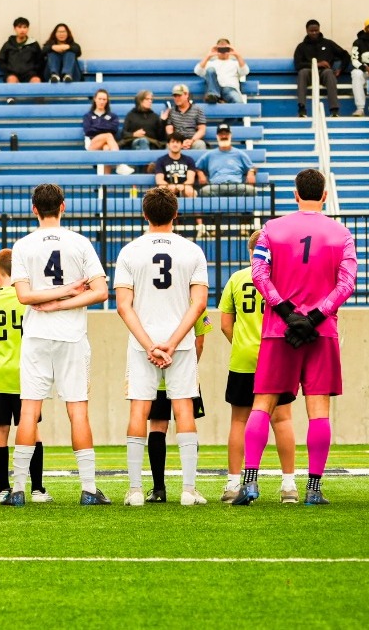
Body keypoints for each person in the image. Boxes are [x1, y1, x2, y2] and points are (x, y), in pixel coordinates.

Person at [233, 168, 357, 506]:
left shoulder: (271, 230)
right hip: (321, 333)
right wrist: (315, 316)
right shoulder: (342, 234)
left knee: (262, 405)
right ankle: (313, 490)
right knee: (318, 411)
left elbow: (259, 274)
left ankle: (250, 483)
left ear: (295, 194)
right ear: (326, 195)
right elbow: (346, 285)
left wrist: (287, 313)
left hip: (278, 331)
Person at [7, 182, 112, 506]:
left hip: (37, 335)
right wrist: (67, 294)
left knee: (29, 411)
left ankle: (19, 489)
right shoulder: (79, 243)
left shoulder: (23, 245)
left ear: (34, 209)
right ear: (63, 207)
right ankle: (89, 488)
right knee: (77, 410)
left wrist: (52, 302)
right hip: (72, 335)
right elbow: (100, 291)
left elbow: (25, 296)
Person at [113, 188, 210, 506]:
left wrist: (150, 344)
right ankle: (188, 489)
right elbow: (198, 304)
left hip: (144, 345)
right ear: (176, 213)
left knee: (139, 410)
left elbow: (123, 306)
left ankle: (136, 490)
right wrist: (171, 342)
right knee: (184, 410)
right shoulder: (192, 251)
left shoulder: (129, 251)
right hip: (178, 344)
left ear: (144, 214)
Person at [218, 231, 299, 504]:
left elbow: (225, 324)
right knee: (282, 419)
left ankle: (232, 484)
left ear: (249, 251)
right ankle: (289, 486)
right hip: (276, 356)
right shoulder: (282, 279)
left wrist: (241, 344)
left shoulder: (237, 279)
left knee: (239, 420)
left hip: (243, 358)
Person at [0, 248, 49, 504]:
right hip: (26, 374)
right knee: (31, 429)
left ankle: (3, 489)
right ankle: (37, 489)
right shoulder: (26, 299)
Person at [144, 312, 213, 503]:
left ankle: (158, 490)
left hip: (154, 373)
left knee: (157, 427)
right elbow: (199, 343)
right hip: (183, 372)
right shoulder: (193, 303)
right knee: (186, 421)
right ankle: (189, 490)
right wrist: (187, 368)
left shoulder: (150, 300)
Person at [292, 19, 349, 118]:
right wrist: (316, 64)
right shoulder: (301, 47)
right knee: (302, 72)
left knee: (329, 72)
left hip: (324, 74)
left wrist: (341, 69)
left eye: (316, 30)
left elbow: (345, 55)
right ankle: (302, 109)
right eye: (311, 31)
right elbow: (298, 65)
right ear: (307, 31)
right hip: (309, 73)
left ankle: (334, 110)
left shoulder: (328, 43)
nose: (314, 33)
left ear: (319, 30)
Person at [197, 125, 258, 196]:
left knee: (251, 191)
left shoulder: (240, 153)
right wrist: (200, 174)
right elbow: (196, 167)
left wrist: (251, 172)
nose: (224, 136)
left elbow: (252, 167)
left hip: (236, 186)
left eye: (226, 134)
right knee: (204, 191)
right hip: (216, 186)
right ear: (217, 136)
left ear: (230, 135)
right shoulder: (209, 155)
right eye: (221, 134)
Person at [194, 39, 248, 105]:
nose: (223, 51)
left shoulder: (235, 63)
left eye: (225, 49)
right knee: (210, 70)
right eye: (220, 49)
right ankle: (213, 96)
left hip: (229, 89)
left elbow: (245, 71)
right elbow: (197, 71)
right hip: (213, 91)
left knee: (239, 104)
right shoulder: (210, 63)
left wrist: (237, 55)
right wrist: (209, 55)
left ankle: (217, 98)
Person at [0, 17, 44, 84]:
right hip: (12, 74)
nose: (22, 30)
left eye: (25, 27)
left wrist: (33, 69)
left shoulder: (34, 44)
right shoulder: (8, 44)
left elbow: (40, 61)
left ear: (28, 29)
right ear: (15, 28)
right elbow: (0, 61)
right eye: (19, 27)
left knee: (36, 81)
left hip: (30, 74)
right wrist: (9, 69)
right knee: (11, 80)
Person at [162, 84, 207, 150]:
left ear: (187, 95)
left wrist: (191, 141)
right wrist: (178, 142)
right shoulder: (171, 111)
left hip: (193, 140)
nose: (177, 98)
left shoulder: (198, 110)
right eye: (175, 96)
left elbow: (202, 130)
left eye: (179, 95)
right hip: (177, 140)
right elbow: (169, 130)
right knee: (169, 146)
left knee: (200, 144)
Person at [152, 134, 198, 198]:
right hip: (167, 186)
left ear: (182, 145)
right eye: (172, 142)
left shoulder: (189, 160)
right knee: (162, 188)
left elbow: (190, 180)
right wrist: (169, 186)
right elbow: (159, 180)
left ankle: (192, 207)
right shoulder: (161, 160)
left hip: (184, 187)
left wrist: (182, 186)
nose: (175, 144)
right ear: (168, 144)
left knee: (189, 190)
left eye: (178, 142)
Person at [82, 89, 121, 161]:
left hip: (107, 143)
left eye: (104, 99)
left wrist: (96, 127)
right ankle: (120, 163)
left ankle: (106, 172)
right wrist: (106, 127)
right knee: (108, 135)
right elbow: (88, 131)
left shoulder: (113, 116)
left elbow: (114, 129)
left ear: (107, 101)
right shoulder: (87, 116)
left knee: (107, 148)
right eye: (100, 99)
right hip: (92, 143)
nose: (102, 101)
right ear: (95, 99)